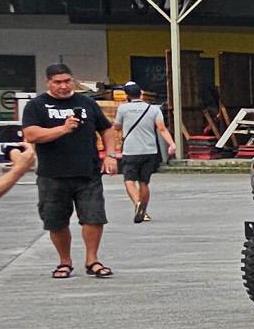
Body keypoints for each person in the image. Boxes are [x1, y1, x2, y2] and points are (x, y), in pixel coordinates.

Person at [18, 62, 117, 278]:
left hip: (87, 172)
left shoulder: (86, 102)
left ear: (72, 80)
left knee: (94, 217)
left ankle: (92, 260)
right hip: (52, 174)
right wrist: (63, 129)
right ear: (48, 83)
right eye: (57, 82)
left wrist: (110, 155)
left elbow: (107, 129)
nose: (63, 86)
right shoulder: (37, 106)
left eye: (67, 81)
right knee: (56, 220)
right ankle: (64, 262)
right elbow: (32, 134)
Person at [113, 77, 178, 221]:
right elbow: (161, 129)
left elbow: (117, 127)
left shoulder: (122, 109)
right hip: (149, 150)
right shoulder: (153, 109)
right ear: (141, 93)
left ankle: (137, 204)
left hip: (130, 150)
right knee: (144, 182)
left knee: (129, 180)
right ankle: (143, 209)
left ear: (127, 95)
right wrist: (172, 144)